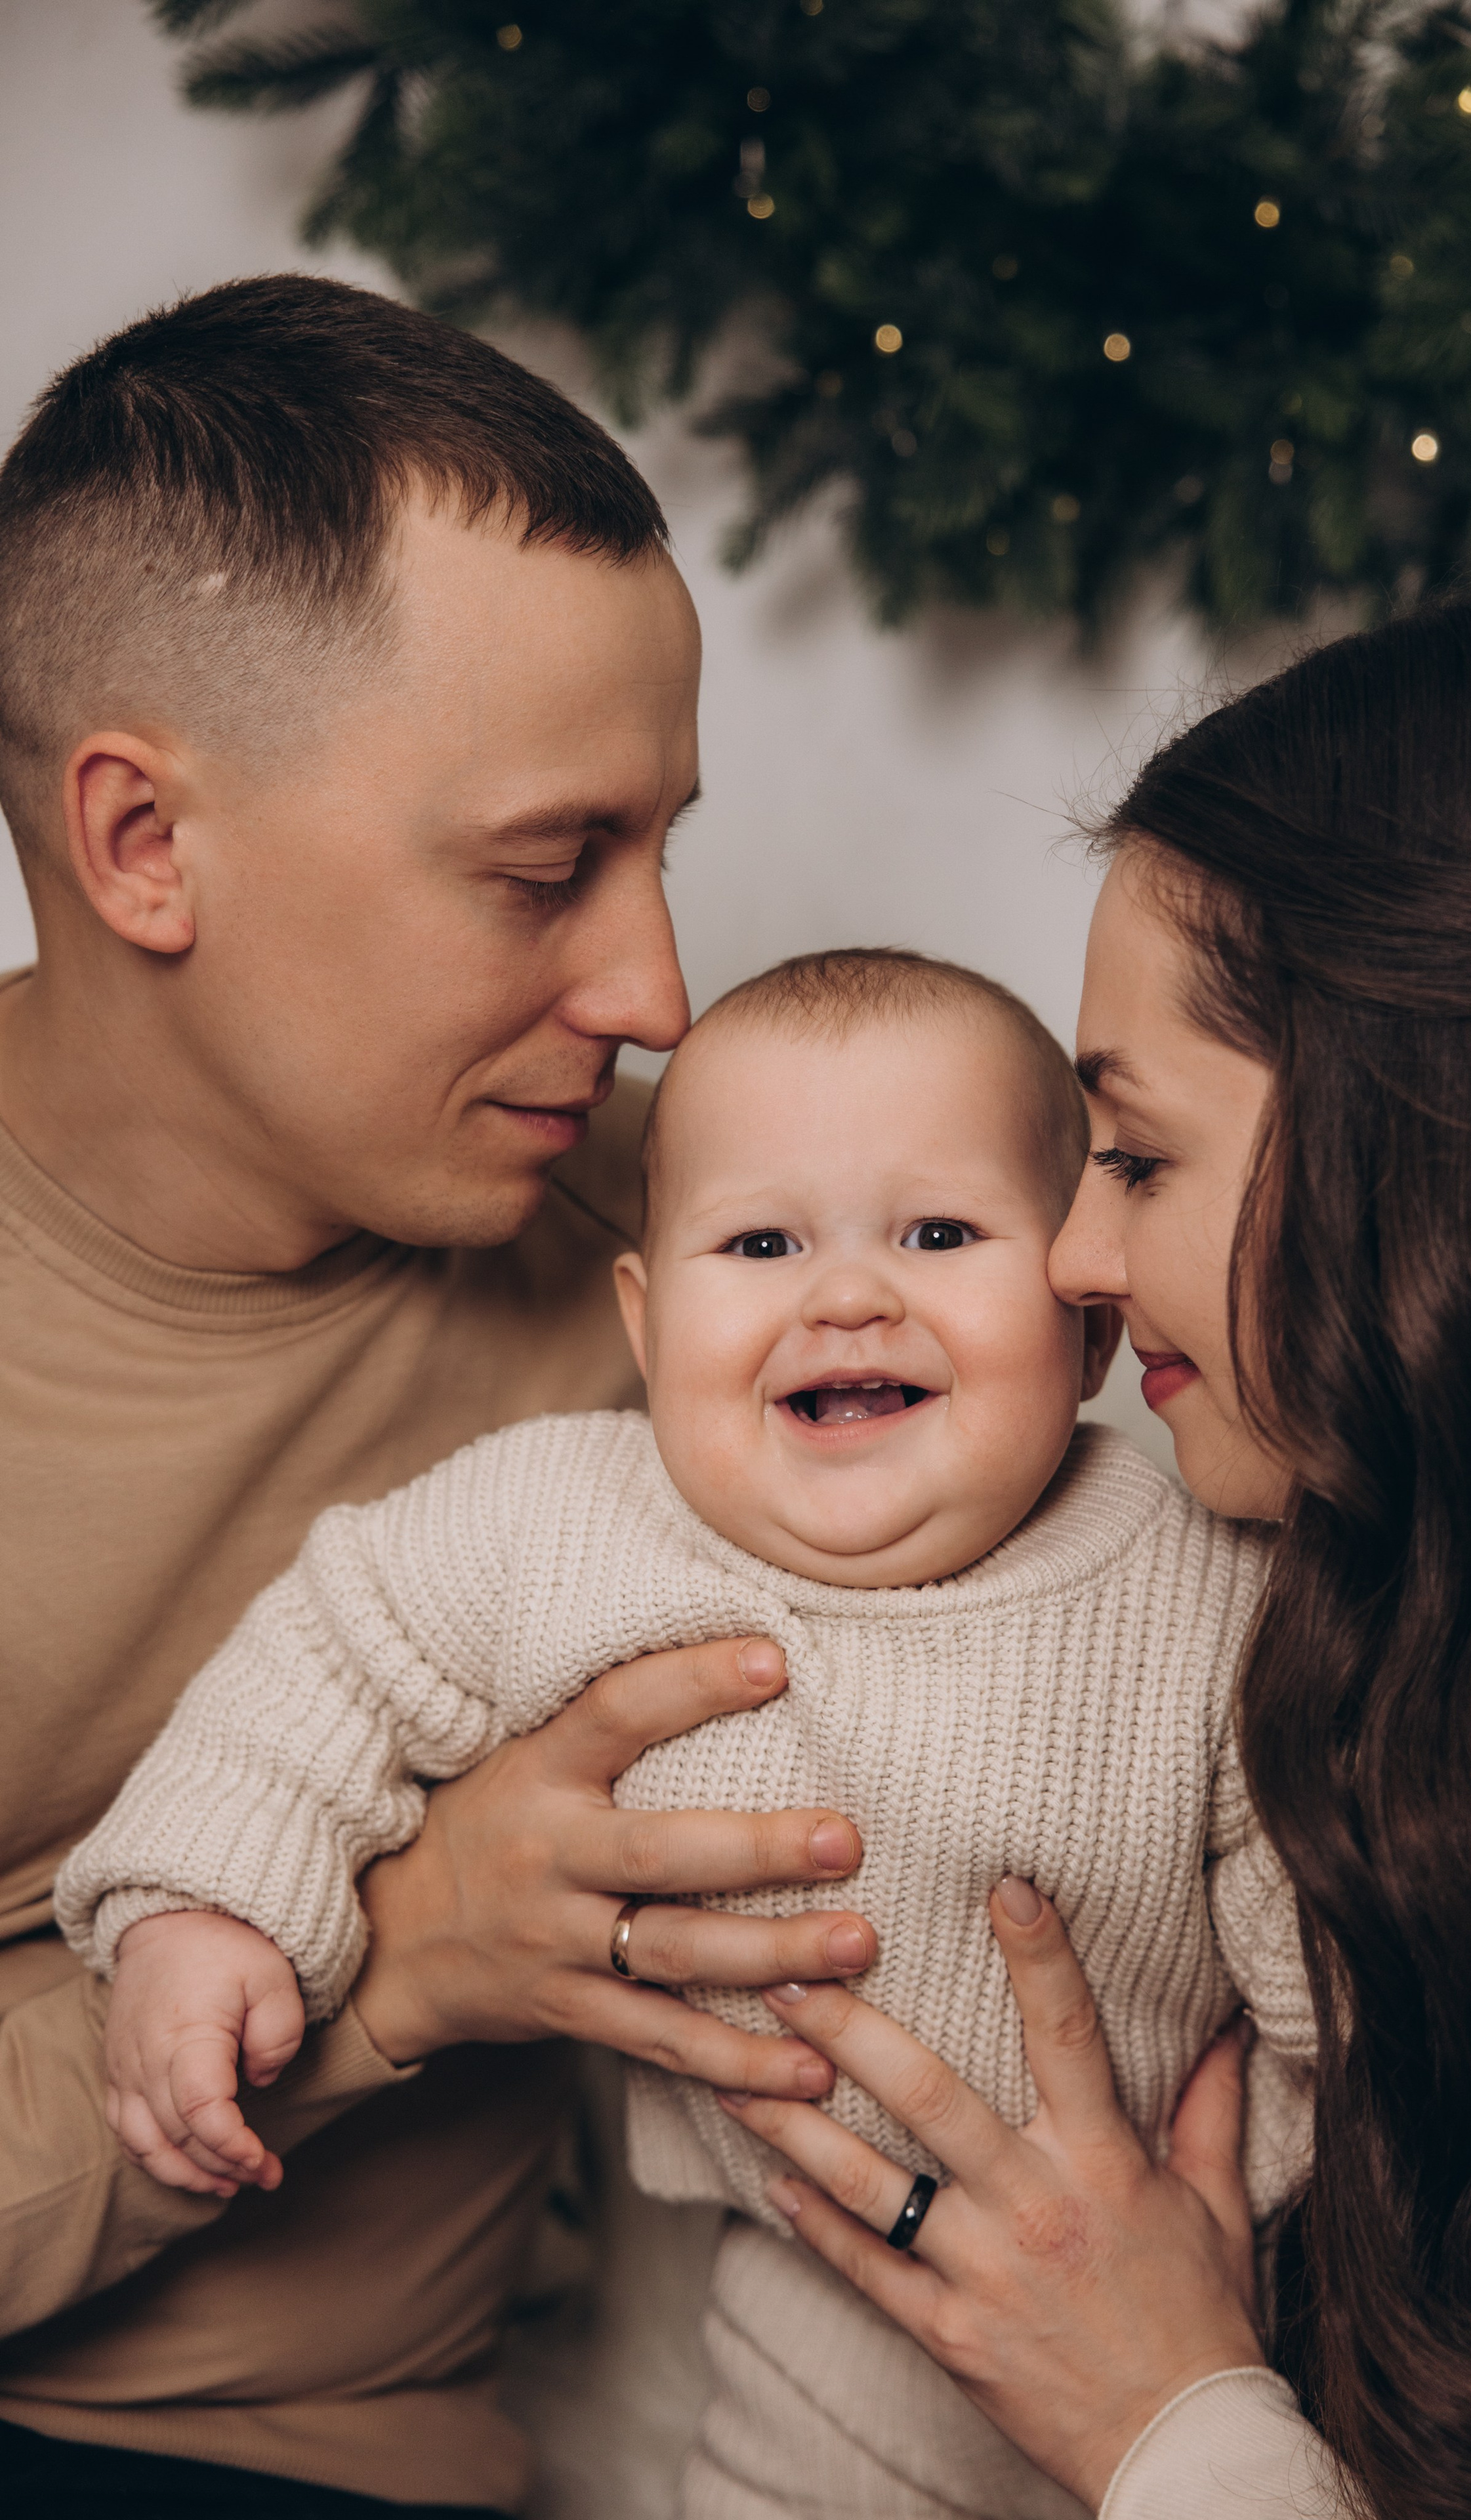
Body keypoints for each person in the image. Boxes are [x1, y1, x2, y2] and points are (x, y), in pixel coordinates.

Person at [59, 945, 1315, 2520]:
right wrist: (204, 1907)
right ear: (646, 1328)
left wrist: (1296, 2164)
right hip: (814, 2292)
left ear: (1078, 1317)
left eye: (936, 1232)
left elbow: (1315, 1895)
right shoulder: (565, 1523)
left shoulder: (1200, 1579)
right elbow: (325, 1659)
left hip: (1210, 2279)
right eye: (761, 1241)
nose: (846, 1294)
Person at [0, 274, 881, 2517]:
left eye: (664, 846)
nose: (661, 987)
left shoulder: (683, 1257)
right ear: (142, 846)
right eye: (544, 868)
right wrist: (390, 1970)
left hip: (360, 2469)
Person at [701, 585, 1471, 2520]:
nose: (1072, 1259)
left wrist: (1173, 2420)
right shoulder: (1365, 1646)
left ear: (1457, 1152)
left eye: (1139, 1161)